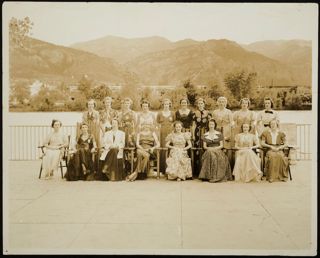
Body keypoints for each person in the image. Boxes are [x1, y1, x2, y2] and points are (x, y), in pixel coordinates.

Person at [210, 96, 234, 168]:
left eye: (223, 102)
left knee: (227, 148)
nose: (221, 103)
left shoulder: (228, 111)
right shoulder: (215, 112)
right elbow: (212, 122)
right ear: (218, 103)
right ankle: (217, 167)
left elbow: (231, 122)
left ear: (225, 103)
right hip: (217, 130)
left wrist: (230, 134)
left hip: (227, 130)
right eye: (220, 101)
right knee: (217, 147)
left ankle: (228, 167)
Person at [156, 98, 175, 174]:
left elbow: (175, 123)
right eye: (165, 104)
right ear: (163, 105)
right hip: (162, 133)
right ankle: (162, 169)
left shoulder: (172, 113)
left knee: (170, 148)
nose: (166, 105)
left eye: (167, 104)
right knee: (163, 148)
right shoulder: (159, 113)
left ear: (169, 105)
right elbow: (157, 124)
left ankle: (170, 169)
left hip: (170, 132)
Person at [193, 97, 211, 178]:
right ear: (197, 105)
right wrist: (193, 135)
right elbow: (193, 124)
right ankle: (197, 170)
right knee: (197, 149)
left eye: (202, 103)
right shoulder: (194, 113)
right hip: (197, 132)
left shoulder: (208, 113)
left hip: (205, 131)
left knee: (205, 149)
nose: (200, 105)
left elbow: (211, 123)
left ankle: (206, 171)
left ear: (204, 104)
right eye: (199, 103)